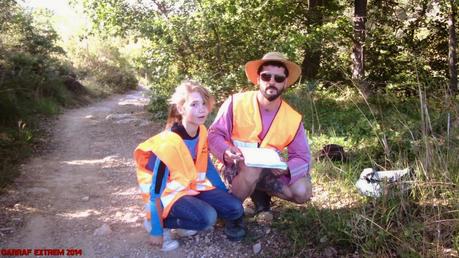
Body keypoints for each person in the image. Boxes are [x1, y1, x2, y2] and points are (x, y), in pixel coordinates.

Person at [134, 80, 246, 251]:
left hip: (192, 188)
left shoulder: (201, 131)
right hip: (168, 195)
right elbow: (155, 192)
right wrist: (156, 230)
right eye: (194, 104)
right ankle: (156, 223)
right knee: (208, 218)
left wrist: (224, 195)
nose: (202, 109)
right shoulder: (169, 143)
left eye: (204, 104)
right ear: (181, 109)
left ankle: (186, 219)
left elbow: (207, 166)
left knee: (235, 208)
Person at [208, 52, 313, 213]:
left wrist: (287, 167)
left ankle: (258, 191)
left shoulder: (293, 118)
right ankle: (230, 213)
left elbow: (302, 157)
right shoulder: (236, 102)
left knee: (302, 191)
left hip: (269, 171)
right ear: (258, 79)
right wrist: (226, 151)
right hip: (234, 166)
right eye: (266, 77)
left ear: (285, 83)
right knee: (251, 170)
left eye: (278, 79)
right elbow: (214, 134)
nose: (272, 82)